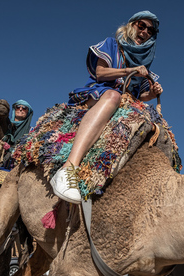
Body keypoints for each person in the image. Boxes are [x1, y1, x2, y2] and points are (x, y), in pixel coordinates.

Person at [50, 10, 163, 204]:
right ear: (132, 25)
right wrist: (129, 70)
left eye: (150, 31)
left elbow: (138, 96)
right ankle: (68, 168)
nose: (145, 32)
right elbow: (100, 73)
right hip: (101, 93)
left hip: (123, 101)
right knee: (113, 95)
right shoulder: (112, 45)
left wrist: (152, 93)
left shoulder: (145, 66)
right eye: (141, 26)